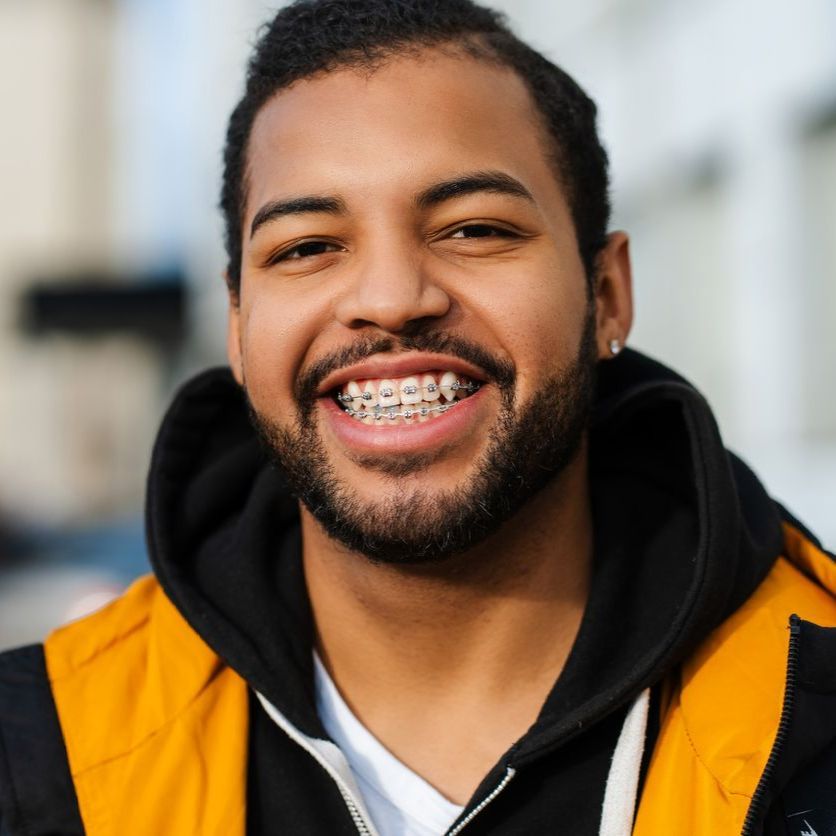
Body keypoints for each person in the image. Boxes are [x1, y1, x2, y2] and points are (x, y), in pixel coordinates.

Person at [1, 1, 834, 834]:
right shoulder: (42, 756)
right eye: (306, 246)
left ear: (608, 294)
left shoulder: (814, 716)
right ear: (239, 328)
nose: (393, 299)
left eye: (474, 228)